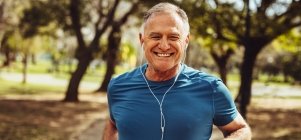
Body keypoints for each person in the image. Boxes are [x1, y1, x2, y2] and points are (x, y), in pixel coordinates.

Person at [103, 2, 251, 140]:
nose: (164, 45)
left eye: (173, 37)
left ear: (185, 41)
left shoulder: (211, 88)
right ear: (142, 40)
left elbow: (241, 129)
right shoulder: (117, 86)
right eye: (156, 36)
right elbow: (112, 123)